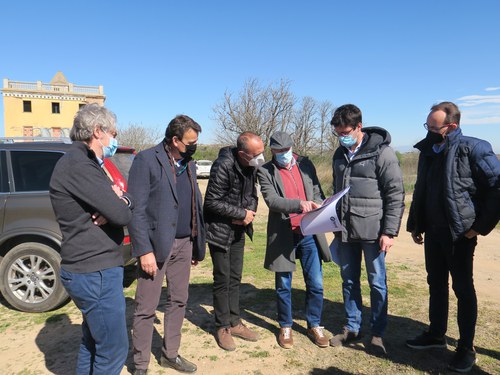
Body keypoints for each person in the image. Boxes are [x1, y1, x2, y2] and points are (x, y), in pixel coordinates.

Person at [406, 102, 500, 373]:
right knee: (435, 283)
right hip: (433, 232)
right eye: (428, 126)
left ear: (452, 126)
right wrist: (416, 224)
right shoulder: (428, 150)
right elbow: (422, 189)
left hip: (460, 234)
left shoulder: (474, 148)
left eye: (434, 128)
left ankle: (466, 348)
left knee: (463, 288)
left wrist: (479, 227)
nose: (429, 132)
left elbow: (496, 189)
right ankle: (436, 335)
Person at [49, 103, 133, 375]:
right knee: (113, 350)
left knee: (93, 341)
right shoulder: (79, 164)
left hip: (91, 269)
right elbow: (120, 213)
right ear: (98, 131)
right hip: (94, 270)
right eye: (113, 133)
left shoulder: (84, 162)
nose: (115, 139)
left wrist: (120, 201)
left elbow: (119, 203)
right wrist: (119, 203)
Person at [128, 115, 206, 375]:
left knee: (179, 301)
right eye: (190, 142)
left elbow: (194, 205)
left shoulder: (189, 164)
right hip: (155, 247)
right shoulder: (147, 160)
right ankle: (140, 364)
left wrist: (195, 243)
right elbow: (136, 210)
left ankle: (170, 355)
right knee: (145, 308)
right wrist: (144, 250)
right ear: (174, 140)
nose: (194, 146)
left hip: (184, 244)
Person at [330, 104, 405, 355]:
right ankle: (352, 327)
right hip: (345, 230)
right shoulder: (339, 155)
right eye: (337, 132)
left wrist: (390, 231)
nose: (341, 136)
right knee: (348, 281)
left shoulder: (382, 153)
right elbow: (337, 191)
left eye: (345, 131)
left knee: (377, 283)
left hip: (374, 232)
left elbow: (395, 194)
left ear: (359, 127)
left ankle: (377, 333)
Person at [257, 131, 332, 349]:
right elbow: (272, 200)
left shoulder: (306, 164)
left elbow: (317, 190)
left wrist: (317, 203)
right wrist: (300, 204)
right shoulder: (265, 170)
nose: (283, 154)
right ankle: (285, 326)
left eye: (286, 150)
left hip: (309, 233)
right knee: (283, 285)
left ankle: (314, 324)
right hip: (283, 234)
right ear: (272, 151)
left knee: (316, 284)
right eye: (278, 151)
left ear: (292, 147)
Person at [204, 131, 265, 351]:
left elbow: (252, 195)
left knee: (235, 278)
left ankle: (235, 321)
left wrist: (249, 212)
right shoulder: (223, 166)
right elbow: (211, 201)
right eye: (256, 154)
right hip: (220, 231)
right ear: (242, 153)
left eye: (262, 153)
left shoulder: (250, 166)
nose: (261, 158)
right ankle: (222, 327)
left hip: (239, 229)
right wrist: (239, 213)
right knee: (222, 279)